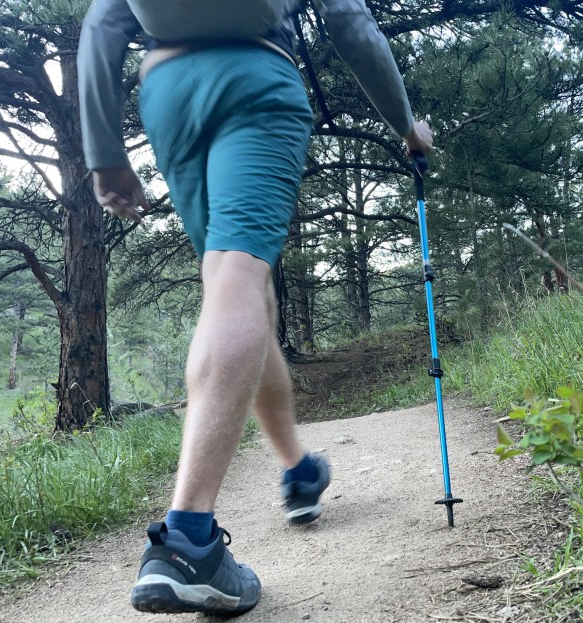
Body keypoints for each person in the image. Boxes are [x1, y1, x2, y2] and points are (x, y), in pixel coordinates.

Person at [77, 0, 433, 615]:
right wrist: (406, 124)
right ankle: (188, 538)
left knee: (234, 283)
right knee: (238, 274)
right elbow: (351, 24)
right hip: (254, 79)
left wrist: (104, 149)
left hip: (167, 93)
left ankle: (298, 467)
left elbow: (105, 24)